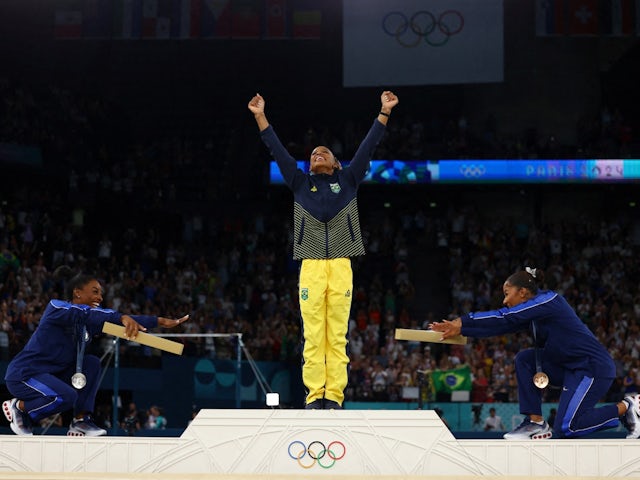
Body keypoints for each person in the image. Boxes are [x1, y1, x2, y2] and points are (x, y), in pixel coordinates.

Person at [248, 91, 399, 409]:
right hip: (311, 266)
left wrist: (384, 112)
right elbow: (276, 150)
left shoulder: (349, 180)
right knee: (314, 335)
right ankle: (315, 395)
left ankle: (335, 397)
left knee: (337, 336)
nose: (317, 154)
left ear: (336, 163)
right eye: (314, 153)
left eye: (324, 152)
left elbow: (368, 146)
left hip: (342, 265)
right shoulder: (300, 183)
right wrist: (260, 116)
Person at [429, 267, 640, 440]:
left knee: (569, 427)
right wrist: (461, 329)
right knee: (525, 359)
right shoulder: (532, 315)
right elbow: (498, 326)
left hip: (592, 367)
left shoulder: (549, 301)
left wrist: (462, 322)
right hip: (569, 368)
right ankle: (536, 423)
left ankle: (628, 406)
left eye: (506, 293)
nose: (504, 300)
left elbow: (505, 317)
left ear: (522, 292)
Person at [2, 266, 189, 436]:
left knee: (91, 363)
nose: (100, 297)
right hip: (24, 375)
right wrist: (122, 316)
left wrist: (159, 321)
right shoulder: (56, 308)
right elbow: (91, 315)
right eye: (95, 292)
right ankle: (20, 407)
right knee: (67, 396)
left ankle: (81, 421)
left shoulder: (88, 325)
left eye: (101, 293)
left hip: (53, 375)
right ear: (77, 293)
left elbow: (114, 321)